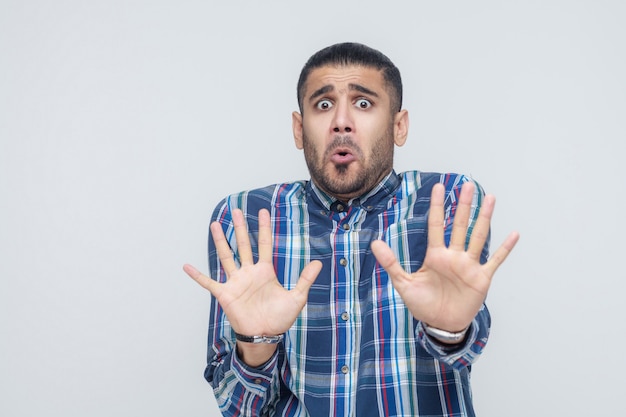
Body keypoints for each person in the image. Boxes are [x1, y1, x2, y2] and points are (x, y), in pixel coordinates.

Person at [183, 42, 519, 417]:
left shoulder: (447, 202)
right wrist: (256, 344)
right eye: (323, 105)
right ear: (299, 129)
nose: (341, 121)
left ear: (398, 126)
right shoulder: (244, 218)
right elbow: (236, 406)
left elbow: (465, 351)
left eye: (363, 103)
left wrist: (450, 329)